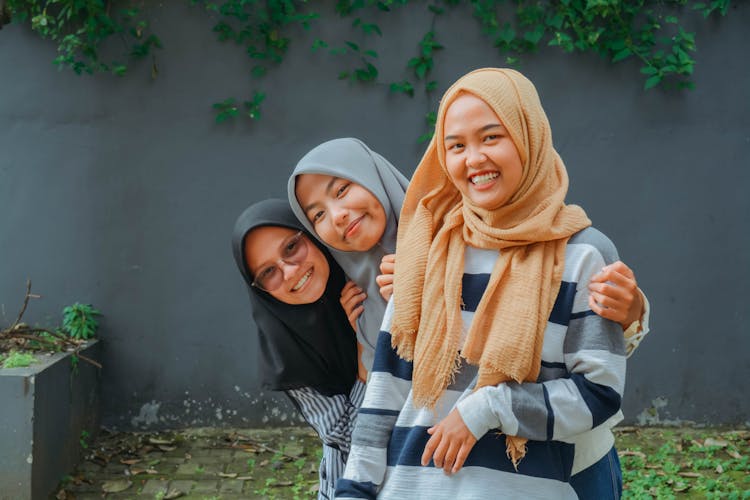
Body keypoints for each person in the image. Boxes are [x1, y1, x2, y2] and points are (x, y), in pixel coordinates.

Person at [335, 68, 632, 499]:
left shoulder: (584, 254)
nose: (473, 159)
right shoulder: (428, 249)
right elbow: (387, 388)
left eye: (492, 137)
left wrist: (486, 408)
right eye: (456, 146)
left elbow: (598, 394)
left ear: (528, 134)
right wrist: (353, 489)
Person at [232, 199, 366, 499]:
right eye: (268, 272)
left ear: (312, 234)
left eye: (291, 248)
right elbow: (344, 438)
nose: (290, 272)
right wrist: (365, 349)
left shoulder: (369, 275)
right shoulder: (285, 348)